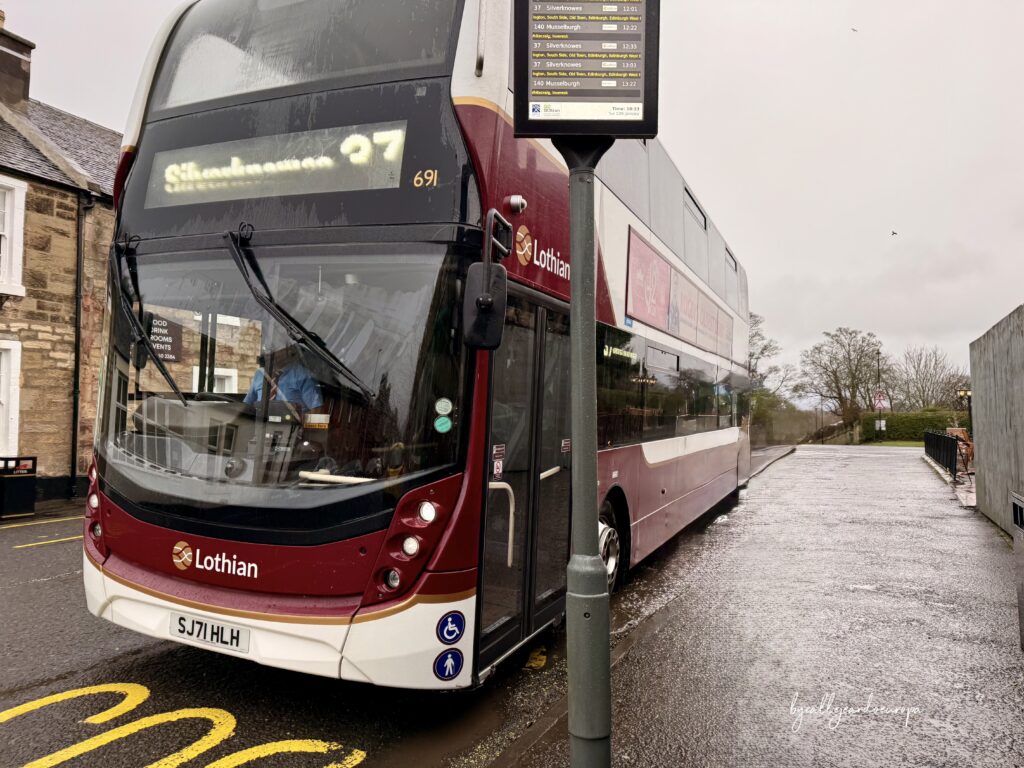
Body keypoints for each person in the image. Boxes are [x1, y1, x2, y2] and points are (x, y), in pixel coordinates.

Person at [244, 343, 323, 412]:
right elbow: (247, 405)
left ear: (288, 350)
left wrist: (301, 423)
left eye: (276, 349)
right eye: (267, 351)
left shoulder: (303, 375)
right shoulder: (260, 374)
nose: (270, 353)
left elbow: (316, 410)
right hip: (260, 423)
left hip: (292, 424)